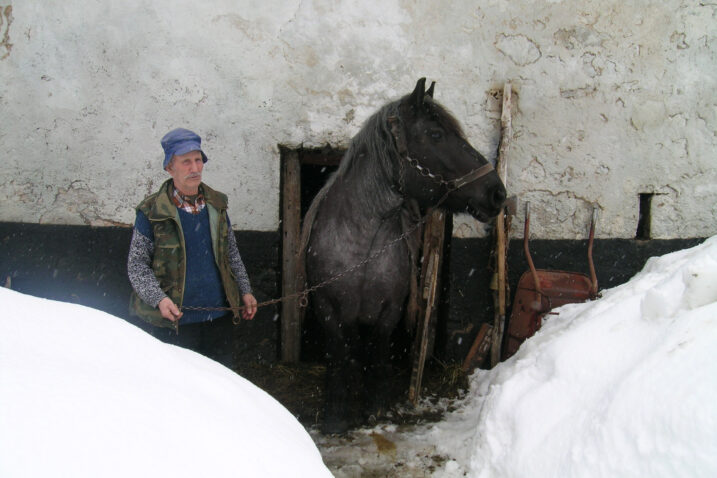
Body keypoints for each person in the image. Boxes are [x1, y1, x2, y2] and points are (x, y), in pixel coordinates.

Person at [127, 128, 257, 367]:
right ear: (169, 167)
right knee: (180, 390)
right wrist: (159, 299)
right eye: (186, 162)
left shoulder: (217, 205)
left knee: (220, 385)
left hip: (218, 317)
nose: (195, 168)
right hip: (174, 322)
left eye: (198, 160)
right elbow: (137, 266)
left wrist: (245, 290)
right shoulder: (151, 212)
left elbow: (231, 254)